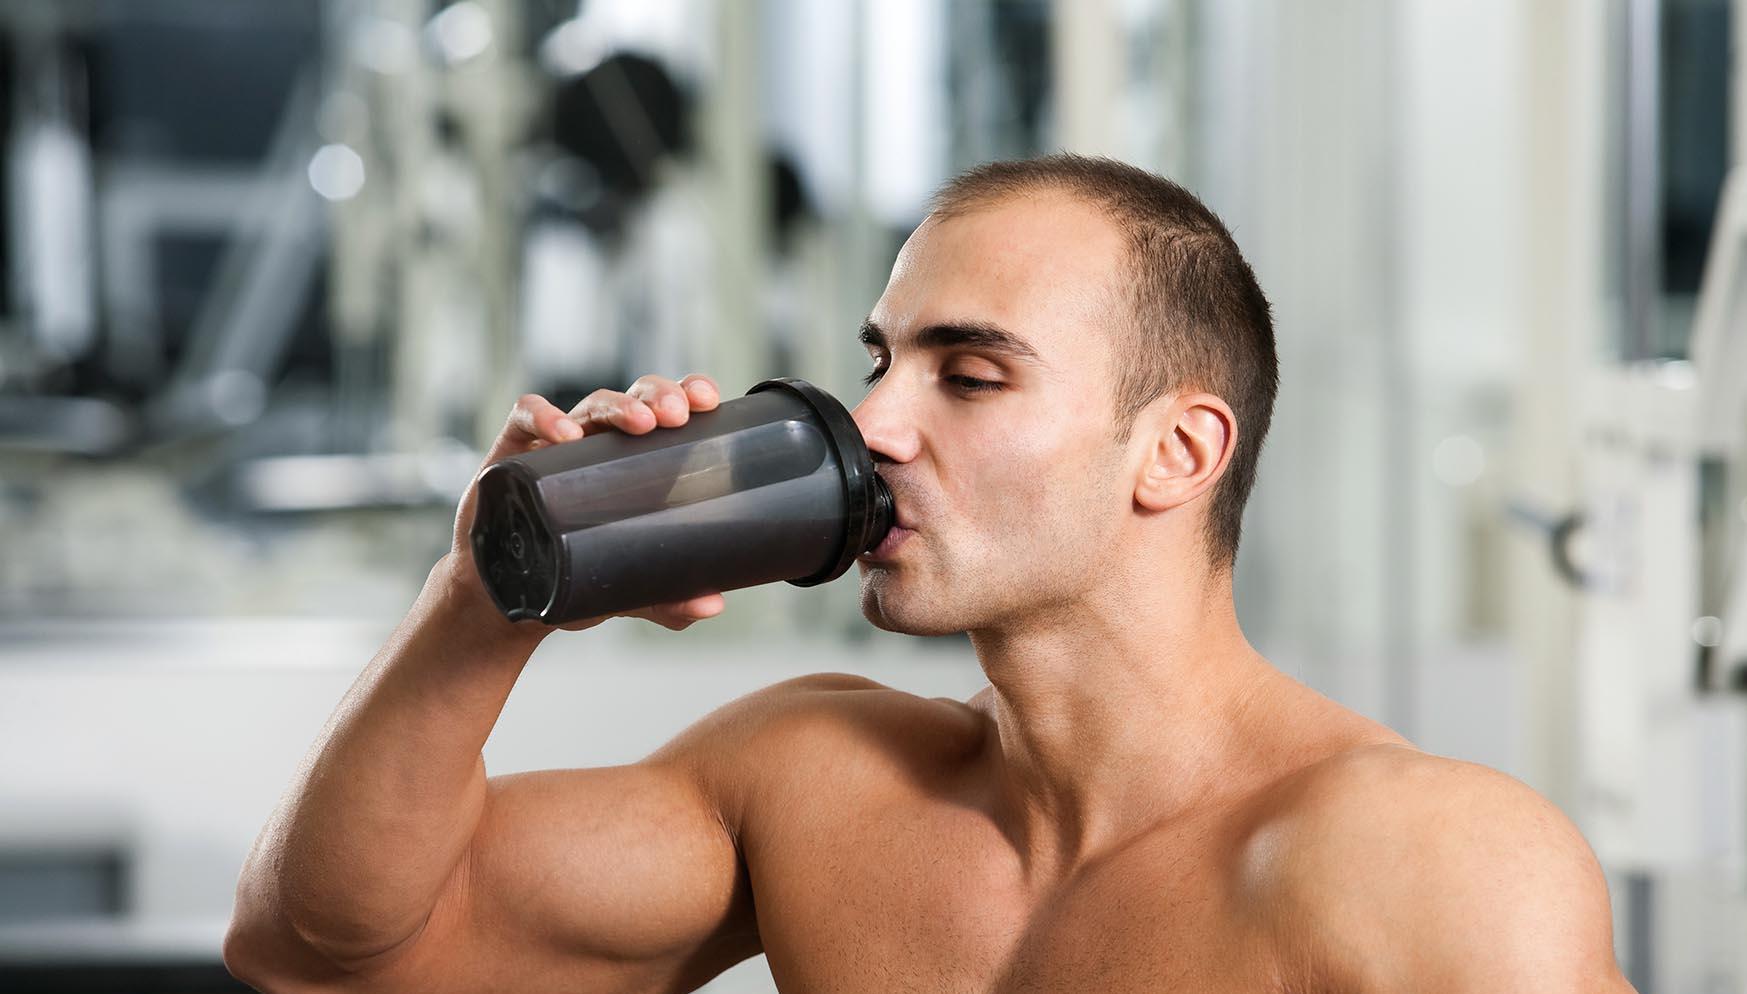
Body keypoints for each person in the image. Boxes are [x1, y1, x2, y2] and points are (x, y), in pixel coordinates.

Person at [224, 155, 1635, 993]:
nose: (880, 423)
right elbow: (325, 951)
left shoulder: (1425, 859)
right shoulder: (817, 780)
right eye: (880, 362)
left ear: (1175, 452)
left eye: (969, 373)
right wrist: (484, 597)